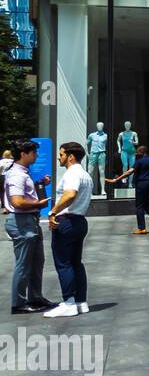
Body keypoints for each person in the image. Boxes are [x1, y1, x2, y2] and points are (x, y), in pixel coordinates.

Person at [43, 141, 94, 318]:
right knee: (75, 262)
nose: (59, 157)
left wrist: (53, 211)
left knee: (63, 263)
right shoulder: (86, 175)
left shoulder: (72, 173)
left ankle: (69, 302)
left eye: (62, 154)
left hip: (67, 221)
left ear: (70, 157)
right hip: (79, 221)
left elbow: (70, 194)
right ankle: (81, 301)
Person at [4, 140, 53, 314]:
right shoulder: (17, 175)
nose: (36, 155)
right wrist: (38, 204)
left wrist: (40, 183)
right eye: (33, 152)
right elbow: (17, 201)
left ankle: (35, 297)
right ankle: (18, 303)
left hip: (28, 220)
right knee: (24, 264)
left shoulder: (21, 172)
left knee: (36, 261)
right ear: (23, 154)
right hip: (22, 221)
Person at [108, 146, 149, 234]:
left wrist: (117, 179)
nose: (136, 153)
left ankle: (141, 228)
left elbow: (129, 172)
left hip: (142, 184)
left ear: (142, 152)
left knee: (139, 206)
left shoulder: (139, 161)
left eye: (138, 152)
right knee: (147, 203)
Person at [86, 123, 109, 195]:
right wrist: (87, 153)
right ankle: (89, 190)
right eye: (99, 126)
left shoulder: (105, 135)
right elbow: (86, 143)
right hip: (93, 154)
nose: (100, 127)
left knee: (102, 172)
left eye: (101, 126)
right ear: (96, 127)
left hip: (102, 154)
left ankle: (103, 190)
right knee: (90, 172)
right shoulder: (92, 135)